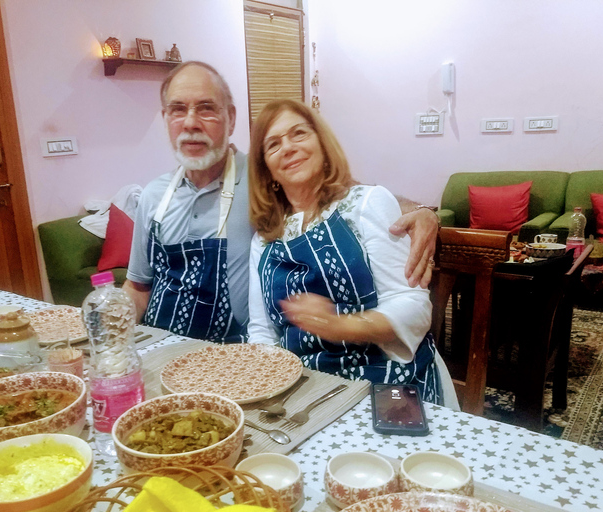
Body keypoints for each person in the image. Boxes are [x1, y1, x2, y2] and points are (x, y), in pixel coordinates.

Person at [125, 61, 441, 343]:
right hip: (157, 342)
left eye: (206, 108)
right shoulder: (153, 196)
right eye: (178, 109)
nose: (191, 122)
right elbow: (138, 288)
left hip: (228, 350)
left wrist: (424, 212)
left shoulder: (261, 177)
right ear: (166, 118)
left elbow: (350, 198)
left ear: (230, 118)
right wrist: (111, 325)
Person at [247, 99, 457, 407]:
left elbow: (413, 306)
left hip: (390, 381)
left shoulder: (366, 204)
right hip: (306, 391)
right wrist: (268, 387)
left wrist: (342, 326)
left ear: (322, 143)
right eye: (273, 144)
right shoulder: (264, 239)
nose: (288, 147)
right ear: (267, 171)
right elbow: (262, 331)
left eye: (299, 134)